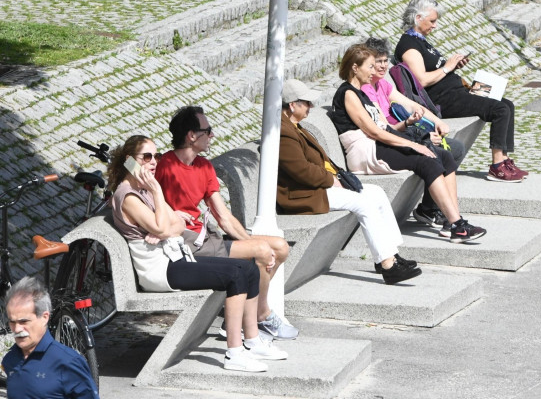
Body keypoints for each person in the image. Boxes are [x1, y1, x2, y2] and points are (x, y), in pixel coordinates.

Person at [107, 135, 286, 372]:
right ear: (130, 161)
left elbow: (178, 225)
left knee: (249, 268)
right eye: (147, 157)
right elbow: (165, 226)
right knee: (235, 273)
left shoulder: (143, 189)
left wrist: (165, 226)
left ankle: (252, 340)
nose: (153, 162)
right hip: (160, 269)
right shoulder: (128, 195)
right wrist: (159, 195)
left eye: (156, 156)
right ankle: (234, 353)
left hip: (175, 258)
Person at [155, 106, 298, 340]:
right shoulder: (165, 166)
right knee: (262, 252)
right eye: (208, 131)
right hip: (186, 245)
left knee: (279, 247)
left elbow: (223, 216)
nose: (212, 136)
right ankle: (259, 316)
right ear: (191, 136)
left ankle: (247, 315)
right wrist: (256, 247)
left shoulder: (203, 166)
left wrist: (251, 241)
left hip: (207, 240)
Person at [331, 44, 486, 243]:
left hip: (377, 143)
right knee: (425, 160)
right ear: (355, 68)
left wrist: (412, 133)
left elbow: (384, 128)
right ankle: (457, 225)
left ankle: (453, 223)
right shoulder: (348, 93)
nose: (374, 71)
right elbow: (373, 131)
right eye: (370, 66)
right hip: (365, 151)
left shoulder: (361, 93)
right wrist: (413, 145)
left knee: (444, 156)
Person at [278, 79, 422, 284]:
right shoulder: (284, 132)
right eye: (306, 103)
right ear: (292, 104)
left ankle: (390, 256)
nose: (311, 106)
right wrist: (332, 180)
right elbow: (300, 171)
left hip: (317, 185)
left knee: (376, 193)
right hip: (303, 193)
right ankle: (389, 267)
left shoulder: (294, 126)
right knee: (362, 203)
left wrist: (337, 177)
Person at [395, 0, 528, 182]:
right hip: (443, 100)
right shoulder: (409, 45)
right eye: (432, 21)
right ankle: (497, 166)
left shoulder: (421, 41)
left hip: (456, 92)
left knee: (507, 103)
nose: (435, 26)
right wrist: (447, 67)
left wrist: (455, 66)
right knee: (500, 109)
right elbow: (422, 80)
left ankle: (504, 160)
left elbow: (437, 70)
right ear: (418, 18)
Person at [362, 37, 467, 232]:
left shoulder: (382, 85)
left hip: (407, 134)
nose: (384, 66)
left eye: (386, 60)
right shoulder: (365, 89)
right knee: (444, 152)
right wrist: (419, 134)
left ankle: (436, 210)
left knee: (453, 149)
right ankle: (441, 214)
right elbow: (384, 128)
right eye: (378, 62)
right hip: (396, 140)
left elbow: (410, 104)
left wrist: (438, 122)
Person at [2, 277, 100, 398]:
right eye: (12, 322)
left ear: (44, 317)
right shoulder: (10, 360)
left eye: (24, 321)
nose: (16, 329)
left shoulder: (68, 362)